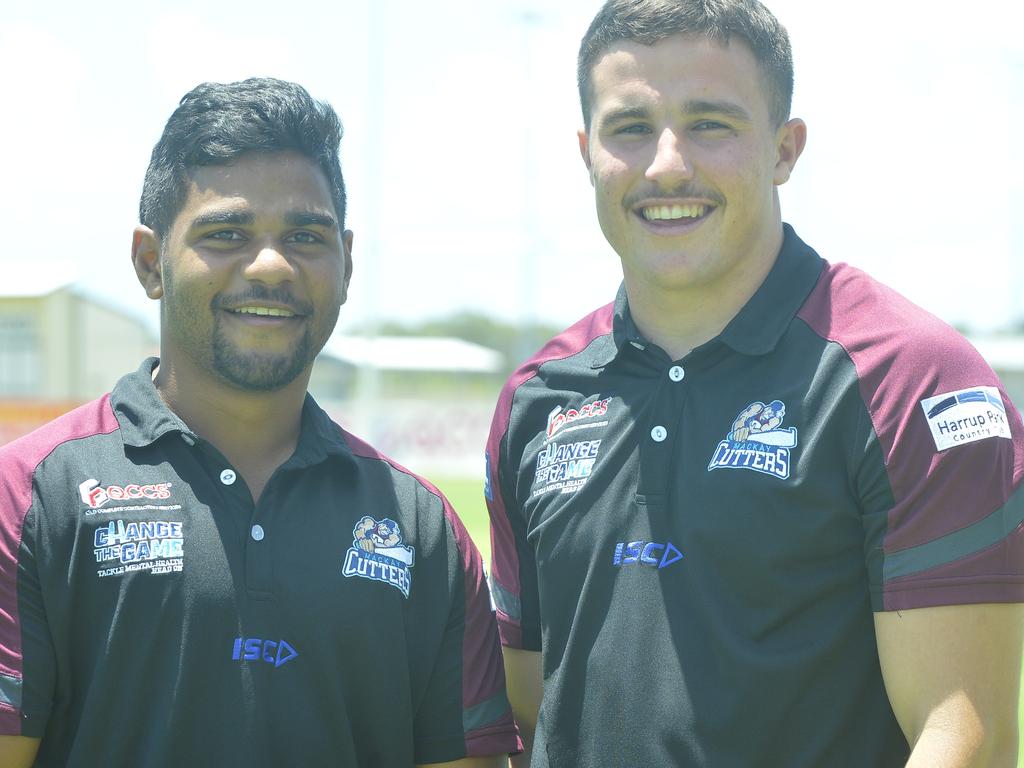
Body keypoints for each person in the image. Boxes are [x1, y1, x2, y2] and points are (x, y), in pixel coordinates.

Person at [485, 1, 1024, 765]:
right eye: (629, 127)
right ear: (586, 152)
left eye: (710, 123)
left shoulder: (911, 380)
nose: (666, 163)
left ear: (785, 149)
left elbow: (968, 735)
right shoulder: (537, 400)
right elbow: (535, 708)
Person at [0, 77, 520, 767]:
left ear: (347, 263)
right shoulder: (32, 495)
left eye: (305, 235)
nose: (271, 265)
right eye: (227, 233)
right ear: (150, 262)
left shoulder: (421, 528)